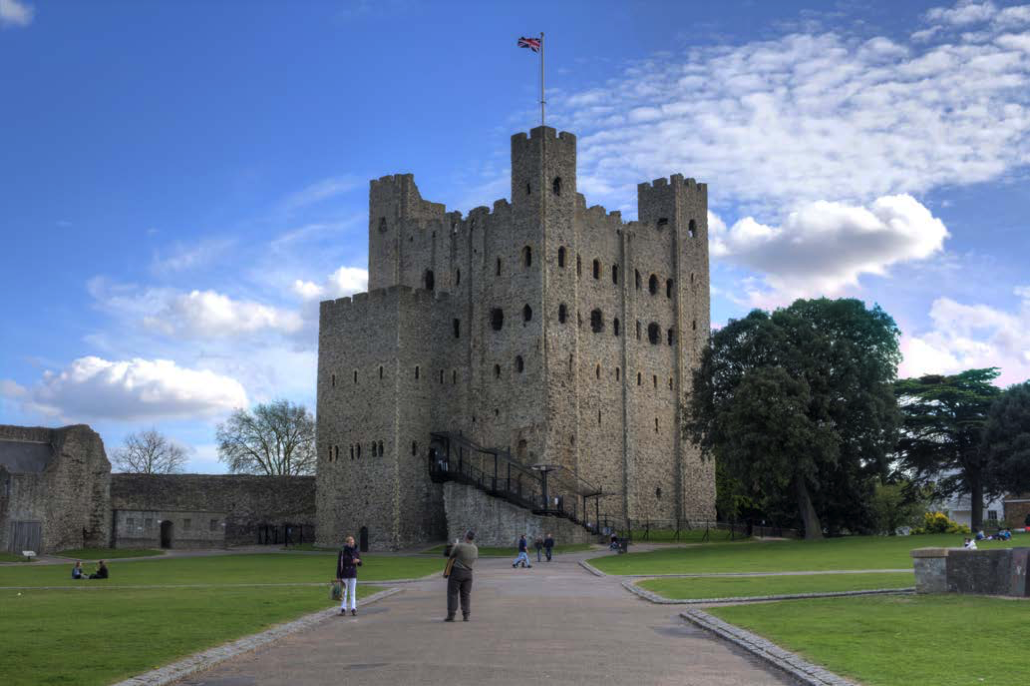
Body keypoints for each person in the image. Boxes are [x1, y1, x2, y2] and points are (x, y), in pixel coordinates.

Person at [445, 529, 478, 622]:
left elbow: (451, 555)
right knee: (466, 595)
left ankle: (451, 615)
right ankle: (466, 615)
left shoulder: (460, 546)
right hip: (468, 573)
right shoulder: (475, 548)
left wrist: (455, 546)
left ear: (466, 536)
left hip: (457, 572)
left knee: (452, 594)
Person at [335, 535, 362, 616]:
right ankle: (343, 609)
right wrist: (338, 575)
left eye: (353, 542)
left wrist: (358, 561)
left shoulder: (356, 551)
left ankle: (353, 608)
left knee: (352, 592)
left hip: (353, 573)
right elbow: (340, 564)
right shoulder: (343, 551)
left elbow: (360, 563)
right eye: (350, 542)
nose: (352, 544)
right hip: (344, 573)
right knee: (344, 593)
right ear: (347, 543)